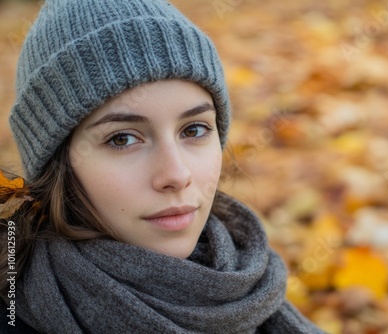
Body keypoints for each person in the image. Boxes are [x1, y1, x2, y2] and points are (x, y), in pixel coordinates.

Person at [0, 0, 325, 333]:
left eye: (194, 130)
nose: (176, 175)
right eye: (122, 139)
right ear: (57, 164)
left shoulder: (250, 289)